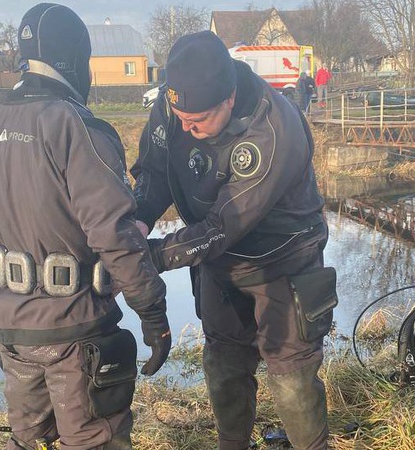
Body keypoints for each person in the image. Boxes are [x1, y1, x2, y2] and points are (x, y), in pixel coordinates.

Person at [0, 4, 171, 449]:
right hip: (75, 329)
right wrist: (152, 313)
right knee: (95, 439)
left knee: (28, 439)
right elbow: (114, 234)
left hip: (10, 325)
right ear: (75, 60)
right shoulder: (78, 127)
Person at [131, 31, 337, 450]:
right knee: (223, 362)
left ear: (228, 99)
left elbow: (221, 226)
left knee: (292, 376)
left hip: (283, 259)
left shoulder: (272, 129)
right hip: (220, 264)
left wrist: (153, 256)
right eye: (179, 116)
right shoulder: (175, 106)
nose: (186, 128)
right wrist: (137, 221)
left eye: (197, 120)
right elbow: (154, 170)